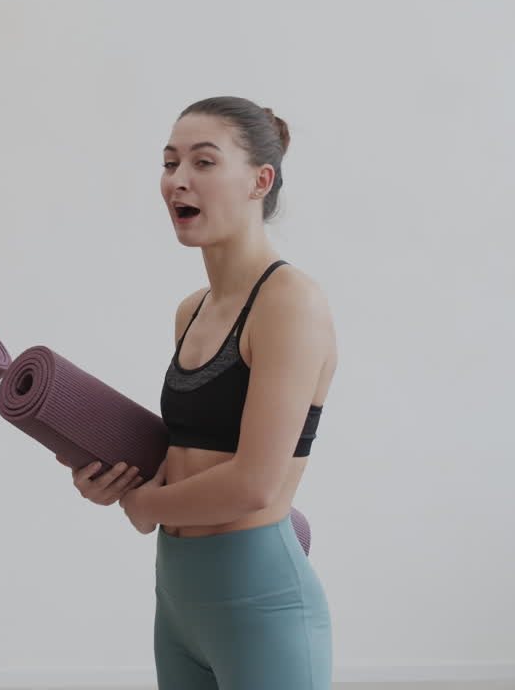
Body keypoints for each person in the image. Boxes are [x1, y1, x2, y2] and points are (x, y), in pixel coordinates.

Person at [63, 96, 336, 689]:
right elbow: (186, 456)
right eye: (170, 163)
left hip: (262, 606)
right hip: (178, 600)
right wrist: (114, 481)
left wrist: (144, 507)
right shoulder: (192, 311)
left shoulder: (289, 302)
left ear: (260, 181)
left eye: (203, 162)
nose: (177, 180)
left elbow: (254, 483)